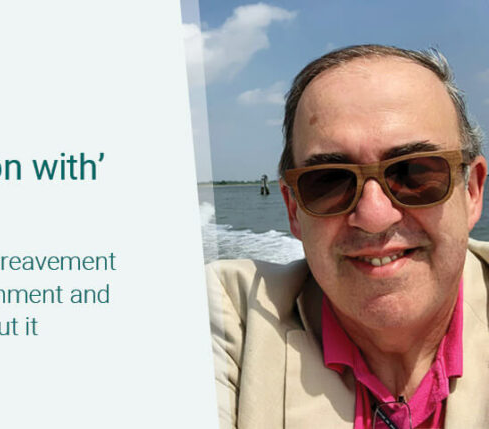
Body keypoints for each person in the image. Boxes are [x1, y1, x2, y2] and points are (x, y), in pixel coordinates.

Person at [208, 44, 489, 428]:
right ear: (293, 209)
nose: (373, 216)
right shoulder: (232, 319)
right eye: (329, 182)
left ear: (471, 191)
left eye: (413, 173)